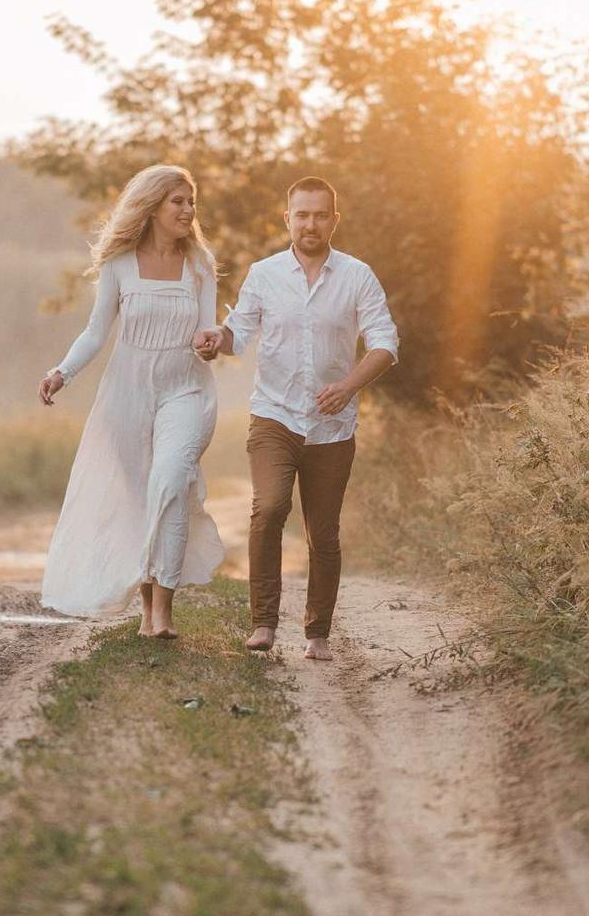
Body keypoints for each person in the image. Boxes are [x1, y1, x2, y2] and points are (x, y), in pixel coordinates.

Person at [193, 176, 397, 660]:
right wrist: (215, 340)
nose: (310, 224)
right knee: (269, 508)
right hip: (275, 417)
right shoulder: (264, 274)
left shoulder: (357, 276)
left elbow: (386, 344)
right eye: (302, 215)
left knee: (323, 533)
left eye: (320, 215)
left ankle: (317, 634)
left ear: (334, 220)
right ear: (287, 219)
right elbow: (237, 334)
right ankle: (263, 624)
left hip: (332, 426)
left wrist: (348, 386)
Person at [38, 164, 225, 637]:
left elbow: (208, 330)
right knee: (141, 497)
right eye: (178, 201)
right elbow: (95, 332)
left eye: (191, 202)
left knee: (171, 480)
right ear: (153, 206)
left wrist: (209, 344)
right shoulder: (120, 264)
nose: (188, 210)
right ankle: (145, 608)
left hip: (186, 388)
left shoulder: (200, 264)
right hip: (127, 393)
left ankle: (163, 610)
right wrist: (62, 372)